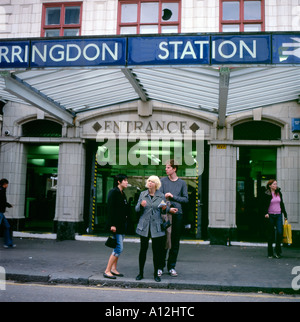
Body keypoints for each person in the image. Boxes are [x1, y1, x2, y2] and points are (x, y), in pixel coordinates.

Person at [135, 176, 177, 282]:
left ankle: (156, 274)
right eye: (149, 181)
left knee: (156, 252)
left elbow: (163, 212)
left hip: (156, 228)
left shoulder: (161, 196)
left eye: (152, 182)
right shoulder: (142, 194)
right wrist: (140, 205)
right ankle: (140, 273)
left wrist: (164, 209)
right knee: (143, 250)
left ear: (156, 184)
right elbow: (136, 209)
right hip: (144, 227)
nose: (150, 183)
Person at [159, 160, 188, 277]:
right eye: (166, 167)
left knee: (175, 241)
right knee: (164, 241)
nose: (166, 169)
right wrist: (166, 203)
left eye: (168, 167)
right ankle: (160, 267)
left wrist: (172, 196)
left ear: (175, 169)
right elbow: (159, 198)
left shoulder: (182, 183)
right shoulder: (162, 181)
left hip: (178, 215)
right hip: (166, 215)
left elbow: (186, 199)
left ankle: (171, 267)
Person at [103, 174, 130, 279]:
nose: (127, 182)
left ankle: (114, 269)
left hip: (122, 225)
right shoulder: (113, 192)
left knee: (117, 247)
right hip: (116, 225)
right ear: (119, 181)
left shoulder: (122, 193)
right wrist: (112, 224)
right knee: (119, 248)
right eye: (125, 180)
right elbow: (110, 209)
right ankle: (107, 270)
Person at [262, 179, 288, 259]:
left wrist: (285, 214)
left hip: (278, 215)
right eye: (274, 184)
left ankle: (278, 251)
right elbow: (263, 205)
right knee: (271, 234)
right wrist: (265, 213)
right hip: (270, 215)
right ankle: (270, 253)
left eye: (276, 184)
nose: (276, 185)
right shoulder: (267, 194)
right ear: (270, 186)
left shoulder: (279, 193)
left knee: (280, 232)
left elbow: (282, 203)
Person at [0, 178, 15, 248]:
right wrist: (9, 205)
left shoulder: (2, 190)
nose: (7, 185)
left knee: (7, 226)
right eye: (7, 184)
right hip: (0, 212)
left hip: (1, 213)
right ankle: (8, 243)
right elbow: (2, 201)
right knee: (7, 226)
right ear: (5, 184)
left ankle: (8, 243)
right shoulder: (1, 191)